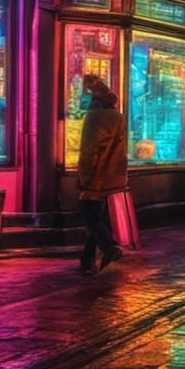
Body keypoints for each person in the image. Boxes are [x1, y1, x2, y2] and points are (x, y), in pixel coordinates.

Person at [77, 74, 128, 274]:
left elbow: (90, 151)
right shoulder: (117, 116)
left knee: (89, 215)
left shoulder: (94, 117)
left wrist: (84, 179)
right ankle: (86, 260)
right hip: (112, 176)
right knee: (96, 216)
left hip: (95, 177)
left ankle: (110, 247)